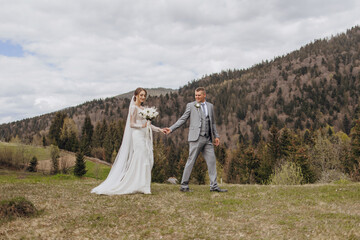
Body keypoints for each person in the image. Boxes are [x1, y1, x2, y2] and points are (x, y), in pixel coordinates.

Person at [91, 87, 165, 195]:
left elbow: (148, 124)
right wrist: (142, 125)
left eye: (144, 95)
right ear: (136, 96)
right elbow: (132, 124)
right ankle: (142, 186)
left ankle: (142, 184)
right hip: (137, 136)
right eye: (141, 95)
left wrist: (160, 130)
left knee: (146, 159)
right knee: (142, 158)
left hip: (145, 135)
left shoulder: (143, 109)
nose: (143, 97)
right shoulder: (134, 108)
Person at [164, 87, 227, 192]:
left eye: (199, 95)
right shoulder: (191, 105)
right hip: (196, 138)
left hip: (208, 139)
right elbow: (183, 119)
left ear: (204, 95)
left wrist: (216, 136)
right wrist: (171, 129)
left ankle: (214, 186)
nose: (197, 97)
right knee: (191, 161)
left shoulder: (210, 106)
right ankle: (184, 186)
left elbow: (213, 123)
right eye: (196, 95)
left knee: (212, 161)